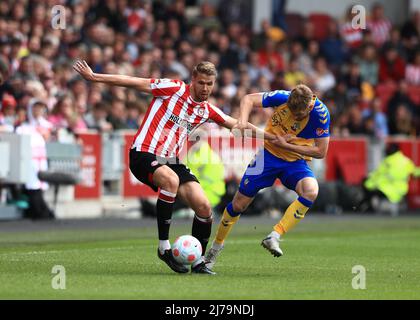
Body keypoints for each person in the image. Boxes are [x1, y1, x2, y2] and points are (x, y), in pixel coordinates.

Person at [73, 60, 274, 275]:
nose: (205, 88)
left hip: (170, 161)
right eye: (201, 83)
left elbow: (238, 125)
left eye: (210, 84)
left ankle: (198, 263)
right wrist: (95, 77)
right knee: (171, 181)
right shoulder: (173, 88)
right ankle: (164, 247)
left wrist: (274, 138)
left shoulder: (207, 110)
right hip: (143, 153)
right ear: (192, 80)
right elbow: (133, 82)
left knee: (204, 208)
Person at [205, 84, 331, 270]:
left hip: (295, 161)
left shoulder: (321, 114)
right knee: (239, 204)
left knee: (311, 190)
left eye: (299, 115)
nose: (295, 118)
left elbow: (321, 152)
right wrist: (242, 121)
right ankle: (215, 247)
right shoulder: (282, 97)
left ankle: (274, 236)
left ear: (309, 106)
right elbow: (248, 98)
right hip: (267, 157)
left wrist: (287, 146)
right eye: (292, 113)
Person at [359, 143, 420, 213]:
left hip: (387, 189)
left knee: (367, 188)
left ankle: (366, 209)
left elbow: (377, 175)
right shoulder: (406, 161)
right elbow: (415, 173)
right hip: (402, 190)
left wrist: (367, 183)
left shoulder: (387, 161)